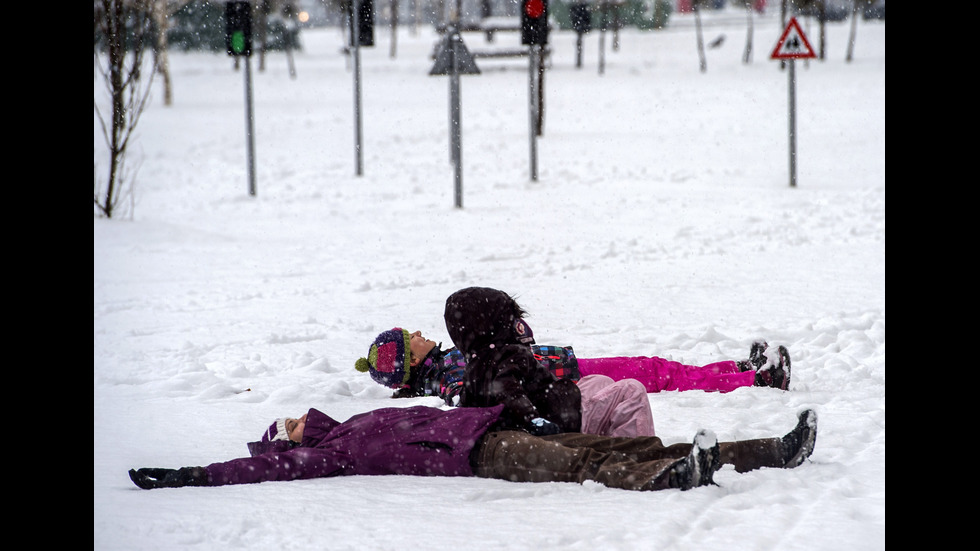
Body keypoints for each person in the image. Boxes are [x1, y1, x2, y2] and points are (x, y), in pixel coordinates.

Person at [128, 402, 818, 493]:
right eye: (284, 431)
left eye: (289, 421)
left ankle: (767, 450)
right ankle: (672, 477)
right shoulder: (334, 453)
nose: (290, 427)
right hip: (482, 459)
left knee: (645, 440)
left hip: (497, 430)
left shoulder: (359, 417)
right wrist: (196, 474)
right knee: (585, 463)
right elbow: (263, 466)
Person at [440, 286, 789, 436]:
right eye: (414, 344)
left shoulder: (470, 352)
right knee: (656, 375)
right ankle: (753, 380)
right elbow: (470, 390)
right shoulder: (454, 365)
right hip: (572, 373)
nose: (423, 339)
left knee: (658, 368)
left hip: (569, 369)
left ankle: (739, 368)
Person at [356, 327, 656, 437]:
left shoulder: (444, 362)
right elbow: (464, 393)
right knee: (639, 380)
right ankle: (639, 452)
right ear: (412, 360)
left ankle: (612, 433)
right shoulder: (445, 372)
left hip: (553, 372)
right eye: (413, 339)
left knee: (604, 379)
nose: (419, 334)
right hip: (554, 373)